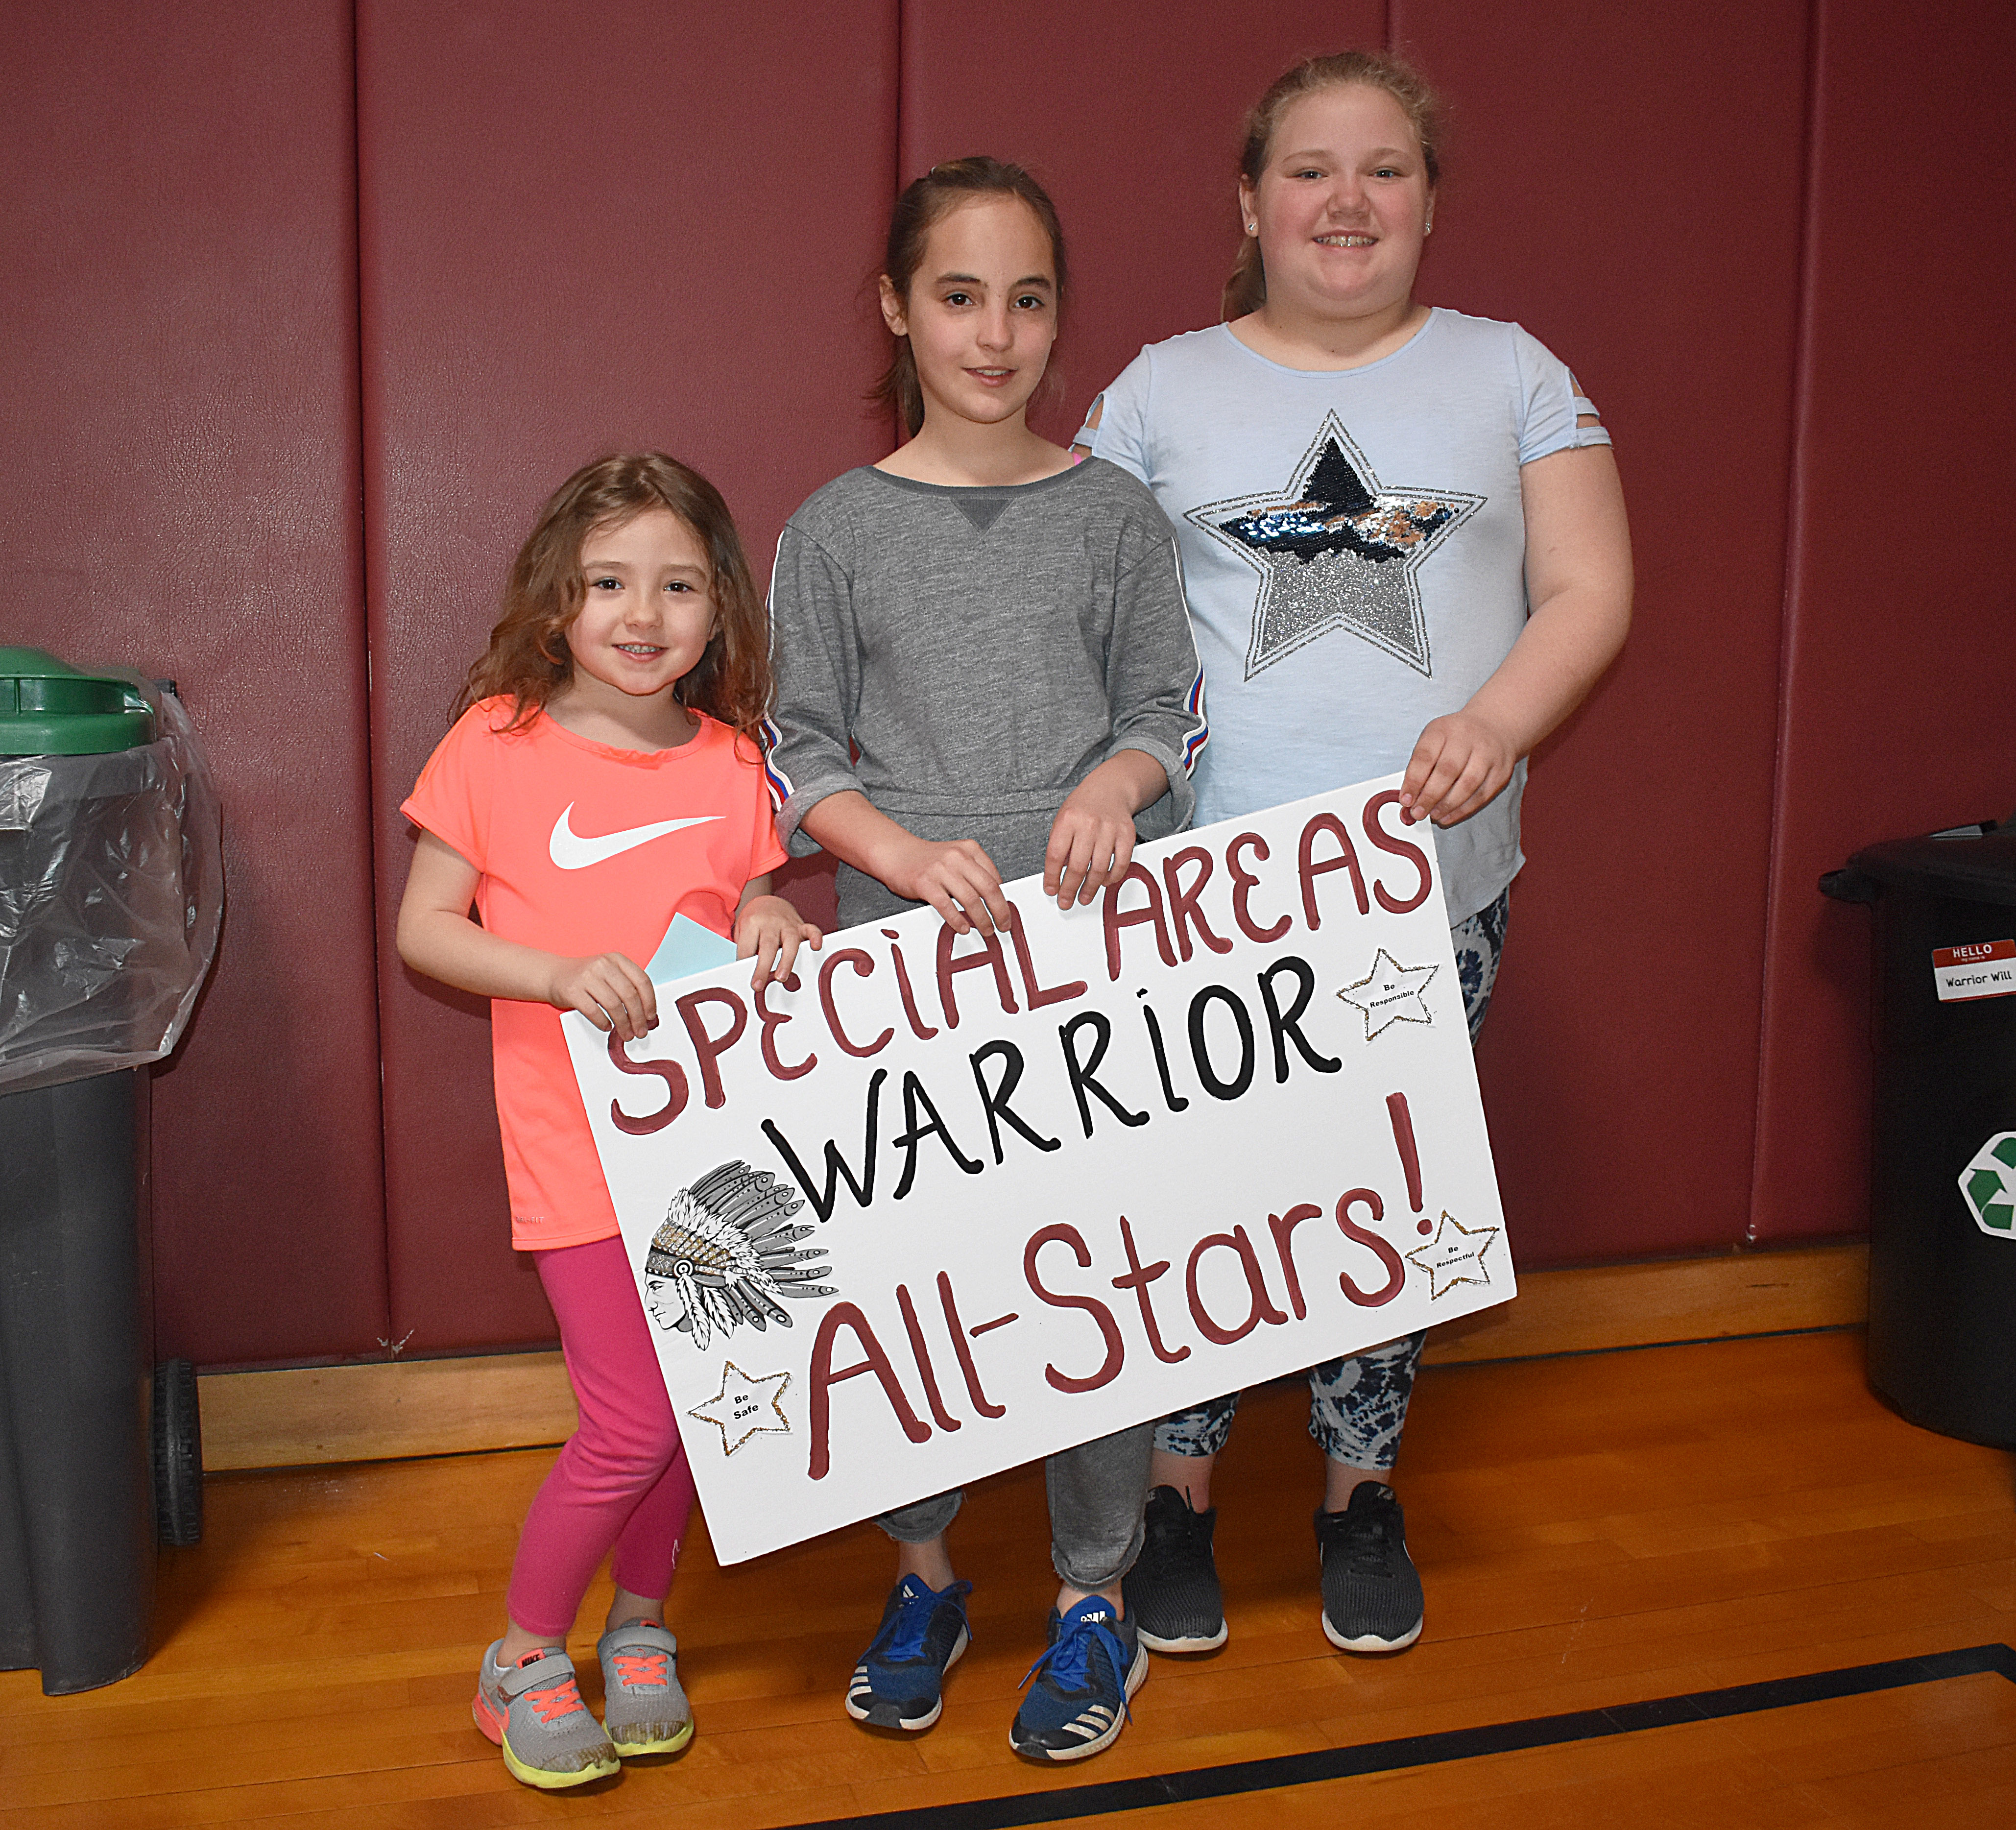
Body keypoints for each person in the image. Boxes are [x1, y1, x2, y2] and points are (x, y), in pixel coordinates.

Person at [1075, 49, 1632, 1660]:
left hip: (1424, 882)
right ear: (1249, 201)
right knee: (1201, 1198)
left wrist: (1502, 721)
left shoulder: (1511, 369)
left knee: (1382, 1196)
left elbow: (1589, 587)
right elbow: (1088, 604)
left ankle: (1355, 1489)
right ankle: (1180, 1492)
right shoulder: (1158, 388)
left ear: (1430, 202)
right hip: (1201, 890)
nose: (1344, 201)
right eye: (1308, 169)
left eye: (1382, 169)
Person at [764, 157, 1208, 1762]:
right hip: (900, 957)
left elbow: (1168, 708)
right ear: (896, 307)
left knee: (1094, 1272)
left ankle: (1092, 1595)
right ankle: (926, 1574)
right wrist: (886, 853)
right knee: (914, 1285)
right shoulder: (831, 530)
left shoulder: (1110, 515)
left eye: (1027, 299)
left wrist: (1112, 784)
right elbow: (795, 747)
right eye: (958, 295)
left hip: (1092, 963)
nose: (994, 331)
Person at [396, 453, 821, 1789]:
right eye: (610, 582)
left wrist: (767, 915)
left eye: (678, 584)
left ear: (721, 608)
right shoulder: (496, 743)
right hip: (576, 1156)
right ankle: (525, 1651)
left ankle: (640, 1631)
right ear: (558, 598)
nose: (644, 614)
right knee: (632, 1419)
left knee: (696, 1411)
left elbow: (750, 903)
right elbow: (424, 931)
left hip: (714, 1161)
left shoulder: (736, 757)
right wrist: (554, 976)